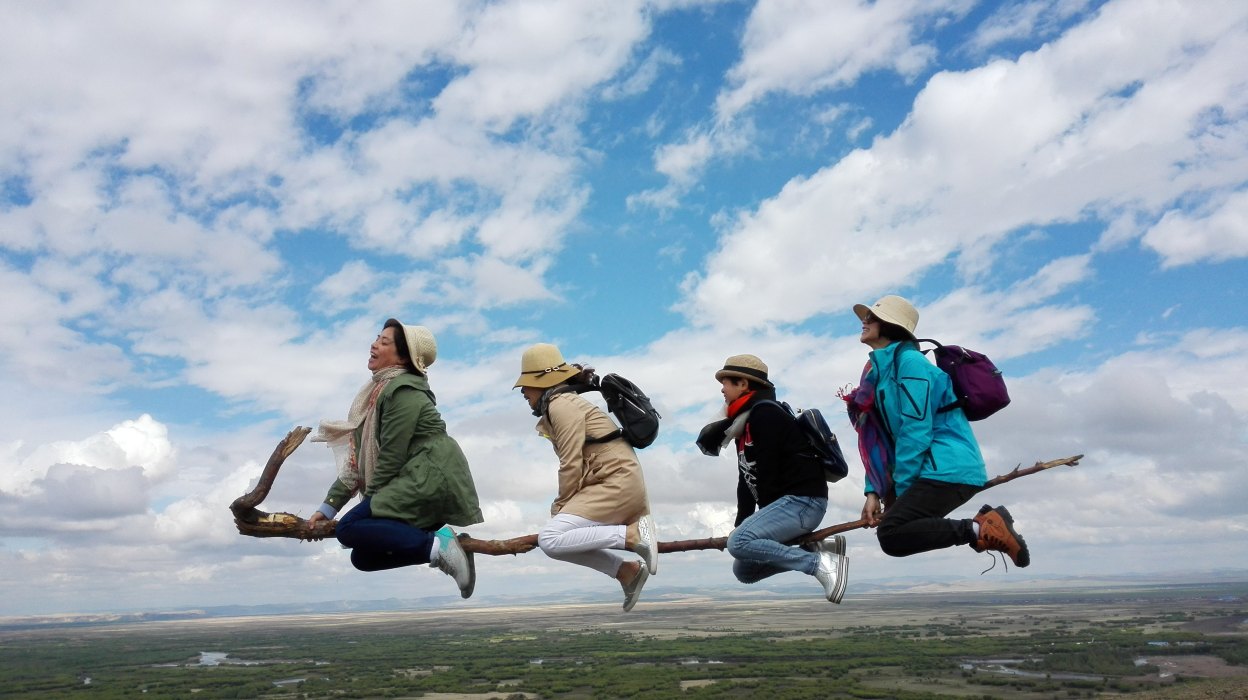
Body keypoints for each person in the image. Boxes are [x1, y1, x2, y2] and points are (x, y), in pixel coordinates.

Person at [847, 295, 1029, 568]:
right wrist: (874, 490)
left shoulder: (911, 364)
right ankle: (984, 524)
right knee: (894, 534)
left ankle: (983, 528)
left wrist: (903, 491)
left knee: (892, 533)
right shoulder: (879, 372)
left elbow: (915, 430)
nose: (865, 320)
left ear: (890, 325)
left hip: (948, 468)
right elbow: (883, 439)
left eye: (872, 317)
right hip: (932, 469)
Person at [306, 319, 484, 598]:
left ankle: (440, 547)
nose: (374, 344)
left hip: (430, 475)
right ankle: (449, 548)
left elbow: (391, 455)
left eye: (384, 342)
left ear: (403, 357)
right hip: (412, 477)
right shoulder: (375, 395)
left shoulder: (403, 391)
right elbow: (356, 462)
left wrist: (368, 509)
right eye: (377, 338)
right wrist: (328, 508)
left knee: (349, 528)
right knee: (363, 558)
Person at [513, 343, 657, 612]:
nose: (523, 391)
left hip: (615, 483)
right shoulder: (562, 404)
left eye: (526, 384)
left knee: (550, 539)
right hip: (611, 482)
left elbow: (570, 463)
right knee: (560, 539)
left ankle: (633, 535)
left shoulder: (561, 405)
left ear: (541, 382)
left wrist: (560, 506)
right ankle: (627, 571)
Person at [696, 355, 849, 604]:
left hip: (803, 502)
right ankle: (819, 549)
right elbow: (746, 479)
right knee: (744, 569)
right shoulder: (743, 425)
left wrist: (749, 531)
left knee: (739, 543)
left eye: (725, 383)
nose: (722, 390)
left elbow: (769, 472)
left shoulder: (766, 414)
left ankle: (818, 564)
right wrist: (743, 523)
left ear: (743, 384)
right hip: (788, 505)